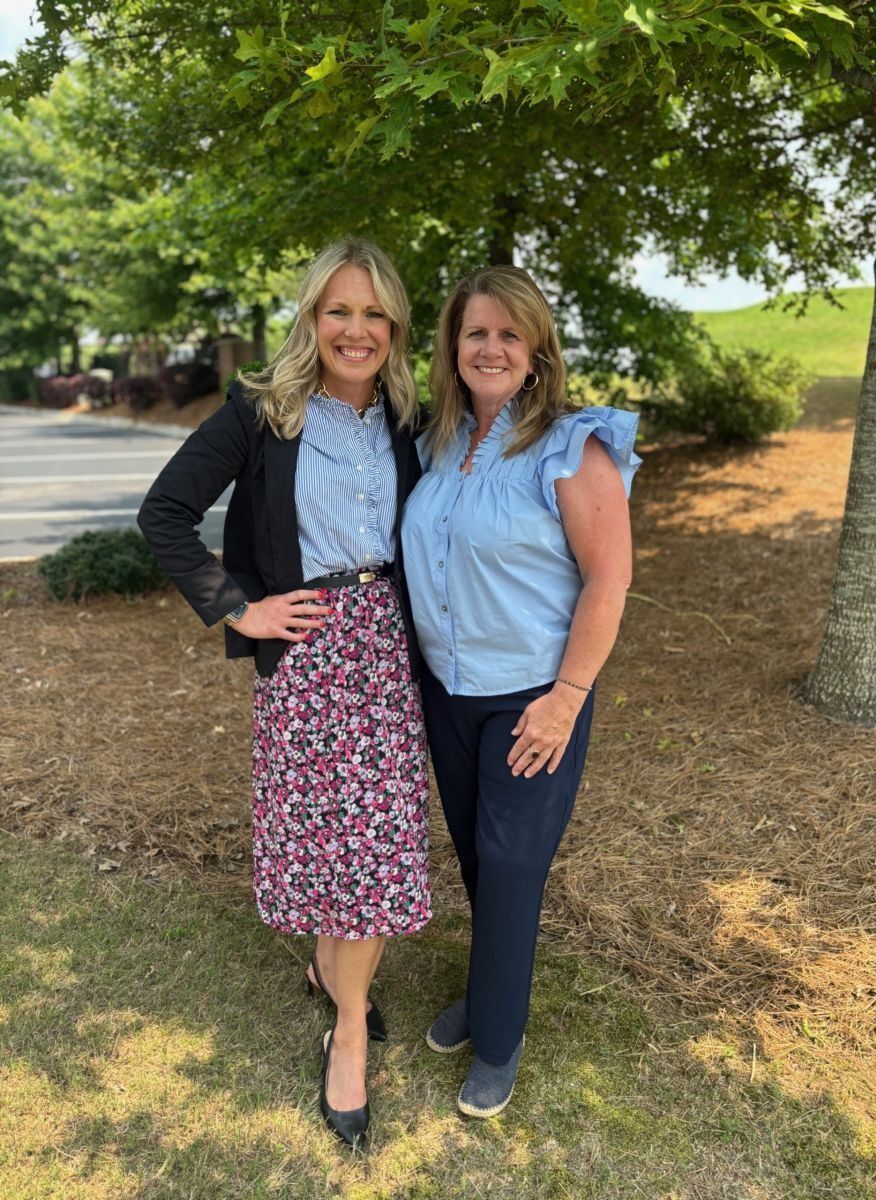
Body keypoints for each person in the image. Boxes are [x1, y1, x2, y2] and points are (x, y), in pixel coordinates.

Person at [138, 239, 431, 1152]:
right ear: (312, 317)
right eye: (339, 310)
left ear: (394, 329)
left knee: (380, 843)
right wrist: (241, 608)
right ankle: (339, 997)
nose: (357, 330)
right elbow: (165, 514)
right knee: (330, 843)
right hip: (306, 656)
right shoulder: (262, 412)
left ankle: (344, 1011)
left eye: (375, 314)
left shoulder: (410, 417)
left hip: (389, 650)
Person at [401, 265, 640, 1118]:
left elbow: (609, 579)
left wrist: (568, 696)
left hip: (534, 696)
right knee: (474, 853)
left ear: (536, 348)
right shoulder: (437, 441)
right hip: (449, 692)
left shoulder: (573, 445)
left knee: (509, 866)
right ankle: (489, 988)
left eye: (509, 332)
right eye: (475, 332)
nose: (491, 347)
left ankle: (498, 1039)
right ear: (453, 347)